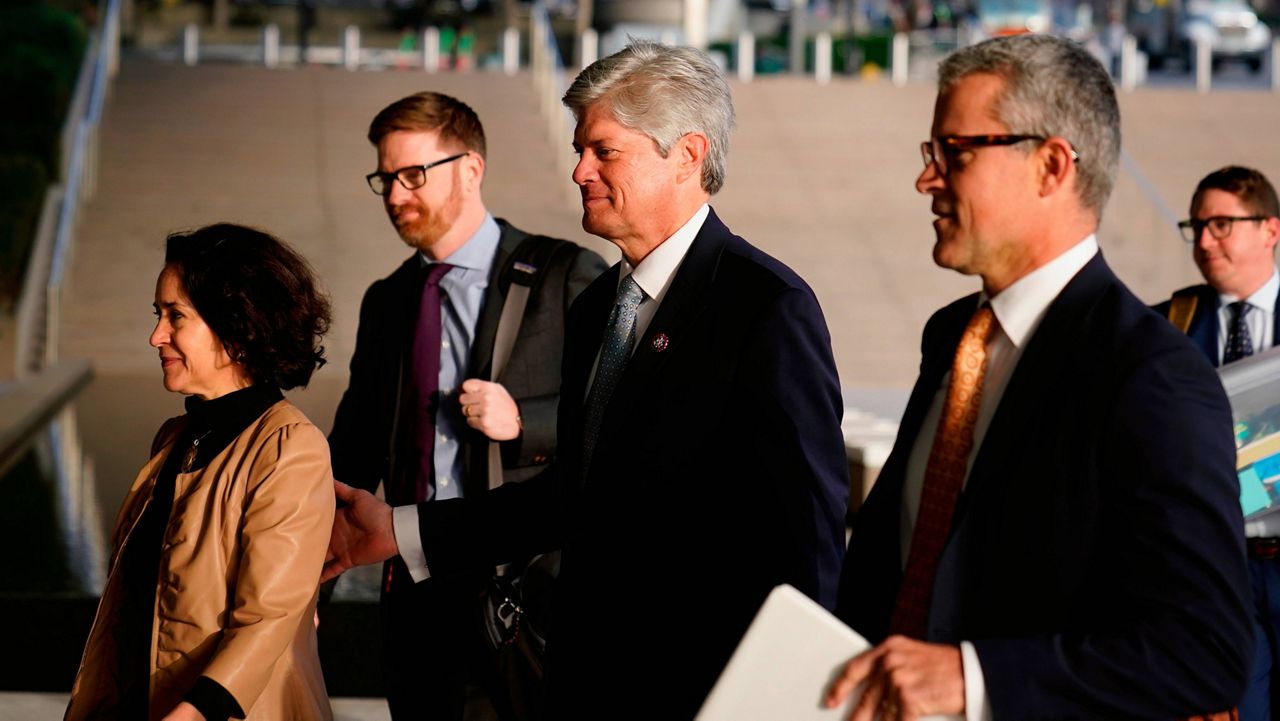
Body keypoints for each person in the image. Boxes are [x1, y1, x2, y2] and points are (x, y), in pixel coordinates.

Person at [323, 41, 850, 718]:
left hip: (699, 692)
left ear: (687, 154)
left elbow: (805, 541)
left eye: (604, 151)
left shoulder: (766, 308)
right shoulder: (598, 304)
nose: (579, 171)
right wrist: (399, 530)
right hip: (580, 682)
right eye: (580, 149)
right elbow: (571, 494)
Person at [829, 34, 1252, 720]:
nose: (927, 178)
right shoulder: (950, 338)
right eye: (930, 153)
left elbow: (1204, 651)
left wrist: (972, 678)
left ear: (1052, 166)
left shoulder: (1150, 376)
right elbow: (889, 569)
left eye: (955, 153)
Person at [325, 91, 605, 720]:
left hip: (522, 597)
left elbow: (614, 427)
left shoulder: (567, 275)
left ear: (471, 169)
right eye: (386, 178)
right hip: (412, 594)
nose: (396, 196)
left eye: (413, 175)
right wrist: (308, 576)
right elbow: (353, 453)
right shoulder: (388, 300)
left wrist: (525, 421)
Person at [65, 223, 336, 721]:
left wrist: (193, 714)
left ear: (236, 327)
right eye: (157, 315)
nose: (156, 336)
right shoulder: (174, 437)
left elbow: (267, 620)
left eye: (175, 317)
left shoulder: (289, 447)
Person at [1155, 165, 1280, 721]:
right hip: (1217, 571)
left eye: (1222, 225)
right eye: (1197, 227)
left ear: (1270, 230)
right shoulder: (1168, 325)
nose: (1205, 241)